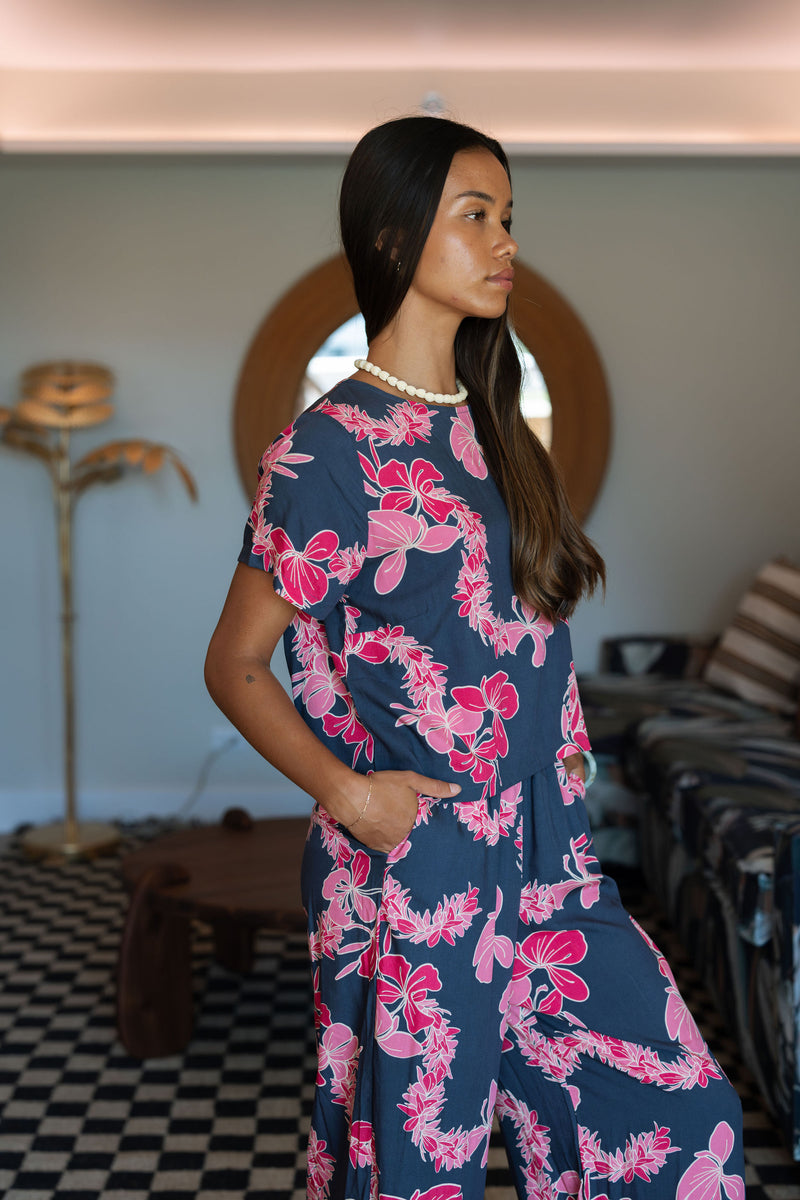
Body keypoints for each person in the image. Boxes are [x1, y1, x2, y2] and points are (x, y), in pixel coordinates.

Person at [206, 115, 744, 1200]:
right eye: (475, 216)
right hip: (416, 863)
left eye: (508, 218)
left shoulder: (497, 433)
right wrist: (353, 799)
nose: (504, 243)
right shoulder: (324, 453)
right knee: (412, 1167)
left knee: (680, 1118)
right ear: (398, 240)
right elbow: (235, 665)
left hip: (549, 852)